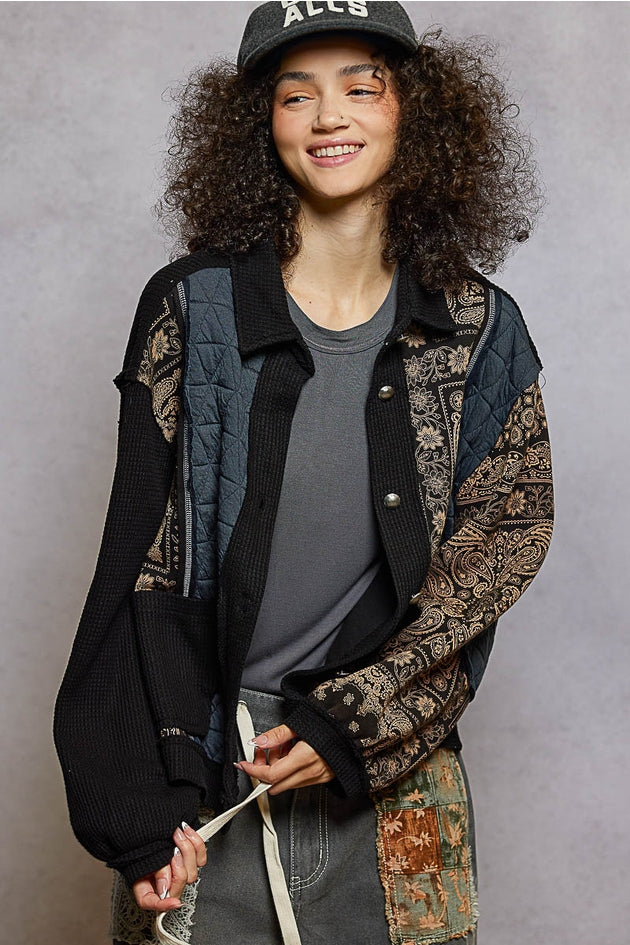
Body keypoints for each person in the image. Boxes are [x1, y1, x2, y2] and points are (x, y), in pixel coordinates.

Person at [53, 3, 554, 943]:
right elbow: (138, 565)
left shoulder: (480, 329)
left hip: (397, 784)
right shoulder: (191, 310)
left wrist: (358, 720)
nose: (330, 117)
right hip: (202, 778)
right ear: (260, 125)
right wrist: (134, 805)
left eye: (362, 87)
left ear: (416, 112)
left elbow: (501, 545)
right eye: (297, 96)